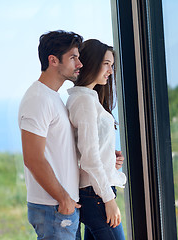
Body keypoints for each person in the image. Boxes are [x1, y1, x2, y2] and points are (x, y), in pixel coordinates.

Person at [18, 30, 83, 239]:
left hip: (61, 207)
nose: (79, 64)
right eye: (73, 57)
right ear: (53, 60)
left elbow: (62, 150)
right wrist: (64, 200)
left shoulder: (52, 97)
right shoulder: (38, 99)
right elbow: (33, 159)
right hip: (53, 208)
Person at [66, 39, 127, 240]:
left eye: (112, 65)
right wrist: (109, 200)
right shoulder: (84, 100)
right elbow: (90, 158)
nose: (110, 70)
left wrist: (110, 158)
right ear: (91, 63)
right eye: (106, 64)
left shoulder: (88, 98)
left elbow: (90, 150)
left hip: (95, 191)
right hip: (96, 195)